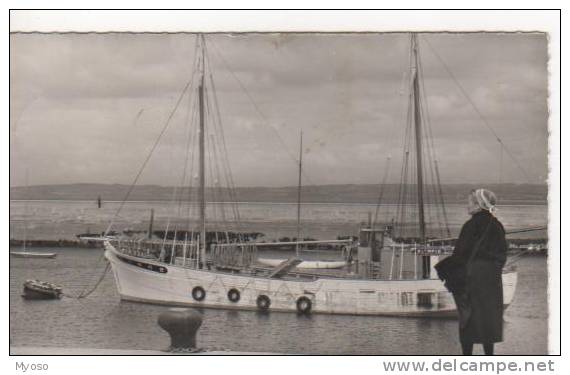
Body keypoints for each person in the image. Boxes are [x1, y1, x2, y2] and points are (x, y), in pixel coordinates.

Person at [452, 188, 507, 355]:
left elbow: (460, 254)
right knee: (487, 321)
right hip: (491, 280)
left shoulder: (470, 225)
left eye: (469, 202)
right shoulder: (497, 225)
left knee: (467, 320)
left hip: (471, 279)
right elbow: (502, 254)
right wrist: (492, 270)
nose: (467, 206)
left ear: (478, 204)